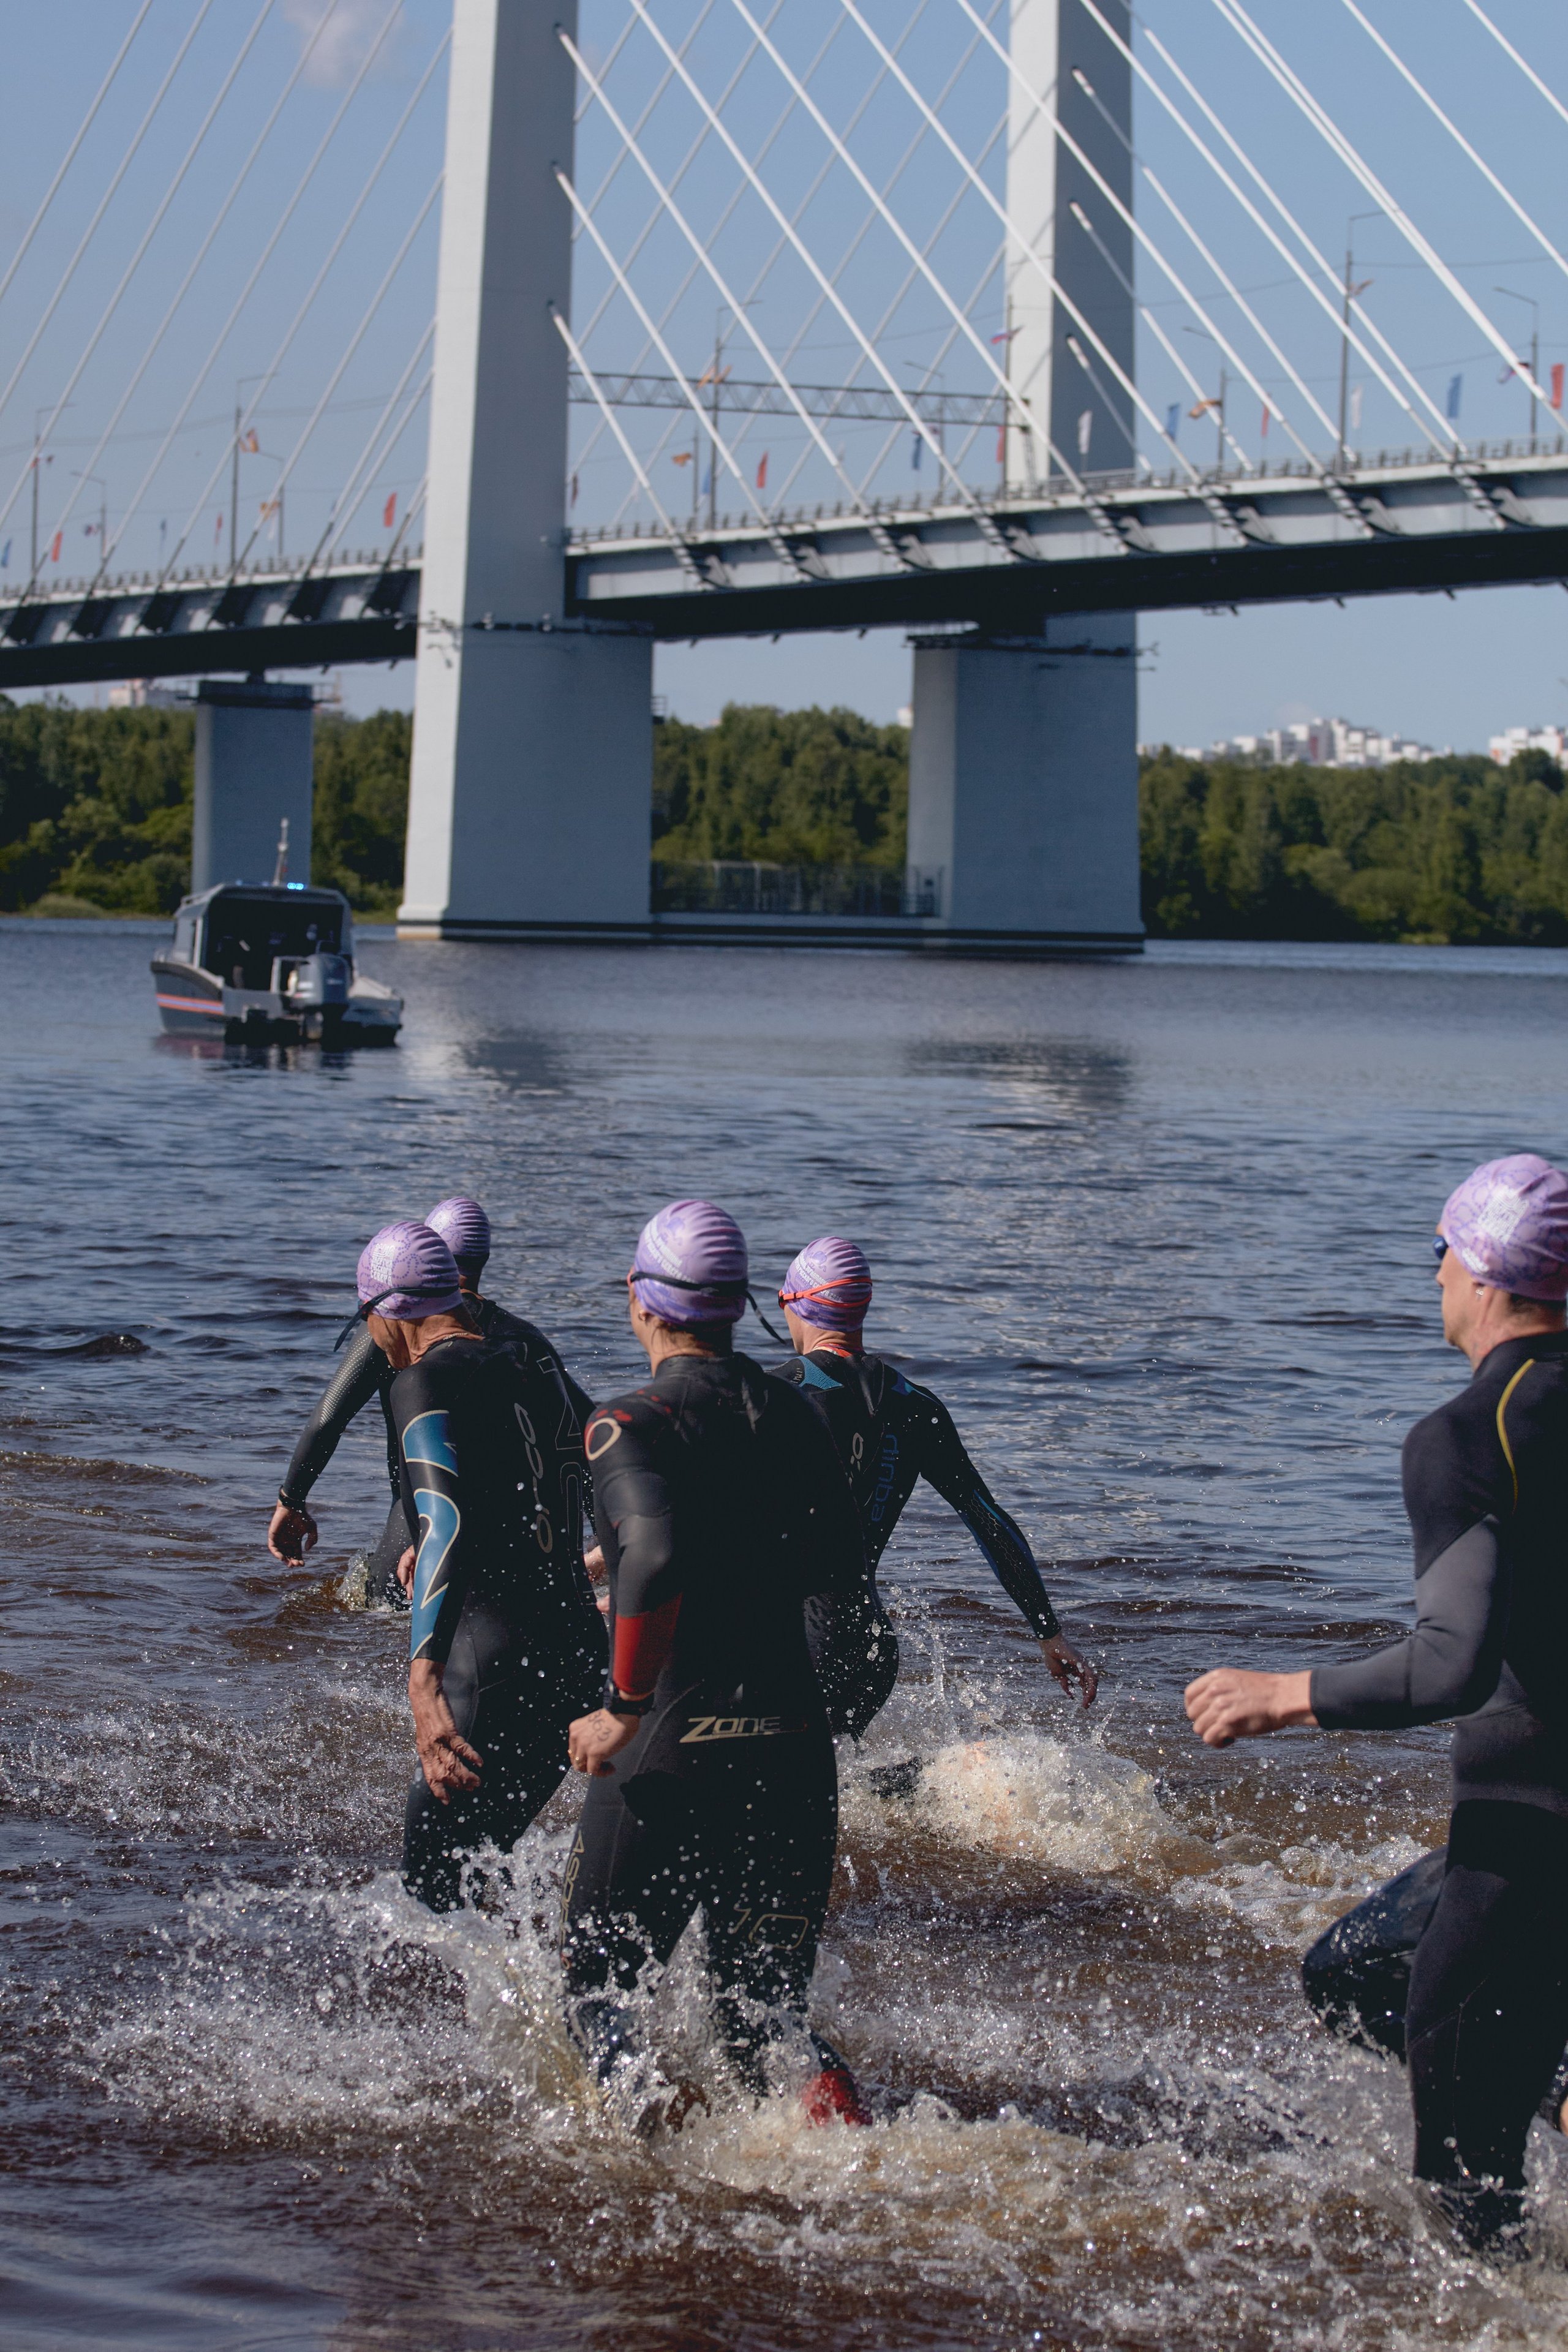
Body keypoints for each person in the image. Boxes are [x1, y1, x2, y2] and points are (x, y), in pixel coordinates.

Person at [1185, 1153, 1568, 2250]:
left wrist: (1283, 1696)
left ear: (1483, 1270)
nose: (1435, 1272)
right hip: (1531, 1828)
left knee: (1465, 2195)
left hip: (1530, 1833)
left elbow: (1450, 1661)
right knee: (1354, 1970)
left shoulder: (1467, 1437)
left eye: (1442, 1250)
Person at [559, 1200, 872, 2132]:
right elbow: (840, 1567)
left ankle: (656, 2154)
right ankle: (855, 2152)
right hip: (792, 1744)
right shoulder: (798, 1415)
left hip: (673, 1740)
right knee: (764, 2021)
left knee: (596, 1997)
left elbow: (653, 1558)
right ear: (741, 1307)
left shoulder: (625, 1423)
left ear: (639, 1301)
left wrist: (621, 1706)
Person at [352, 1219, 605, 1912]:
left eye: (368, 1319)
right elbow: (606, 1460)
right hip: (580, 1657)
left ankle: (489, 2017)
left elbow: (445, 1522)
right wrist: (600, 1566)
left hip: (494, 1670)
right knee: (485, 1863)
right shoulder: (533, 1353)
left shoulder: (421, 1380)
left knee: (431, 1892)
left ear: (390, 1312)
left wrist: (423, 1684)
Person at [771, 1236, 1096, 1741]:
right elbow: (989, 1520)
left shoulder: (780, 1392)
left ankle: (940, 1780)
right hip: (872, 1644)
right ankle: (943, 1781)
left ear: (793, 1303)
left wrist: (612, 1566)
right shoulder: (918, 1404)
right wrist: (1048, 1633)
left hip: (799, 1638)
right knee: (841, 1789)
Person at [268, 1197, 595, 1608]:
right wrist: (606, 1548)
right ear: (484, 1258)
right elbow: (585, 1438)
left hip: (420, 1522)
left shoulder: (393, 1324)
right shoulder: (523, 1340)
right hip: (512, 1534)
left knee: (380, 1617)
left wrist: (291, 1499)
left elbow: (329, 1419)